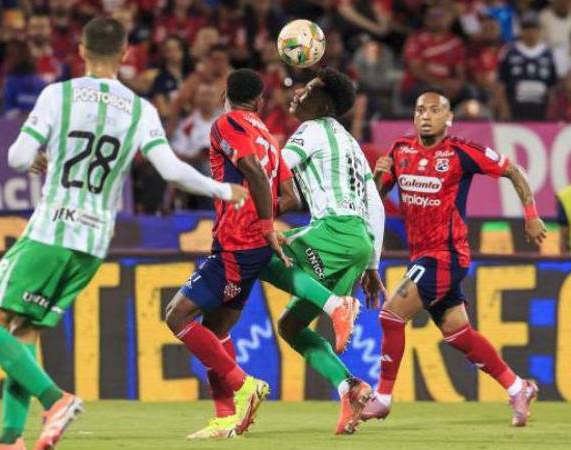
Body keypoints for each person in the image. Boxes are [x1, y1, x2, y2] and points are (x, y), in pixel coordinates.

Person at [0, 18, 247, 450]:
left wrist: (37, 159)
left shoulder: (56, 95)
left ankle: (55, 400)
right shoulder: (141, 110)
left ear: (80, 50)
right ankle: (9, 440)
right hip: (95, 241)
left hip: (52, 229)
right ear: (125, 56)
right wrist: (222, 189)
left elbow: (17, 156)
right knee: (23, 332)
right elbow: (171, 170)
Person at [163, 69, 363, 440]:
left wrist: (263, 224)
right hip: (252, 244)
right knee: (217, 328)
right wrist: (265, 218)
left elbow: (252, 171)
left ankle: (244, 385)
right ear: (259, 102)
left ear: (226, 95)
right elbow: (292, 196)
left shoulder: (227, 124)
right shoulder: (270, 137)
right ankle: (225, 418)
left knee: (176, 315)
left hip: (236, 244)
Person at [362, 90, 544, 427]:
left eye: (434, 110)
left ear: (449, 118)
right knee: (459, 333)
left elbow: (513, 171)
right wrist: (377, 174)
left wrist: (531, 215)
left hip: (446, 256)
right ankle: (519, 387)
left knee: (390, 315)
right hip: (423, 255)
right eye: (420, 110)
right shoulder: (400, 151)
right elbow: (375, 199)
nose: (426, 115)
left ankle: (383, 397)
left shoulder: (461, 152)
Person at [279, 68, 388, 435]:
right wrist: (371, 263)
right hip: (357, 243)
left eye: (306, 90)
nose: (296, 94)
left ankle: (336, 306)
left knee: (256, 249)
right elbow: (375, 203)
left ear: (323, 103)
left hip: (334, 230)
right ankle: (350, 388)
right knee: (291, 326)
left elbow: (275, 168)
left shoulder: (312, 130)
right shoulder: (351, 144)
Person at [498, 18, 557, 120]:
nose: (530, 33)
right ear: (521, 31)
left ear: (539, 31)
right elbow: (500, 83)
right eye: (526, 29)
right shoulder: (509, 52)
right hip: (515, 105)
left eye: (534, 29)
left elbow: (552, 85)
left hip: (541, 106)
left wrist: (551, 109)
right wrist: (504, 108)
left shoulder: (548, 54)